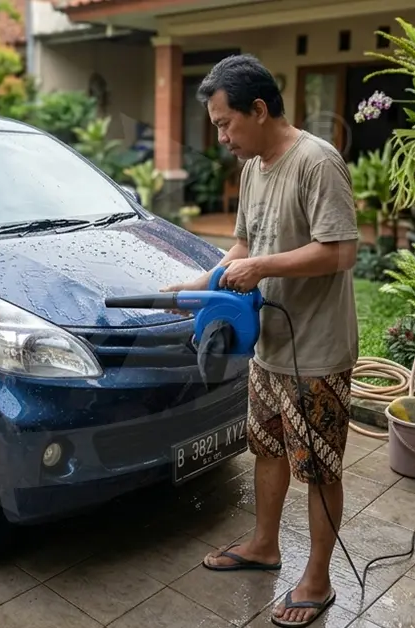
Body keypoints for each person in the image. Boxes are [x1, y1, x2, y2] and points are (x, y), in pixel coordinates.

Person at [162, 54, 359, 628]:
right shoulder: (252, 168)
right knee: (266, 449)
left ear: (259, 108)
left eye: (226, 123)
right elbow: (243, 246)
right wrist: (200, 284)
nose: (221, 136)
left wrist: (265, 265)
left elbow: (342, 250)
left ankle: (318, 577)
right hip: (268, 348)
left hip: (316, 351)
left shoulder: (316, 162)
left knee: (319, 468)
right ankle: (264, 546)